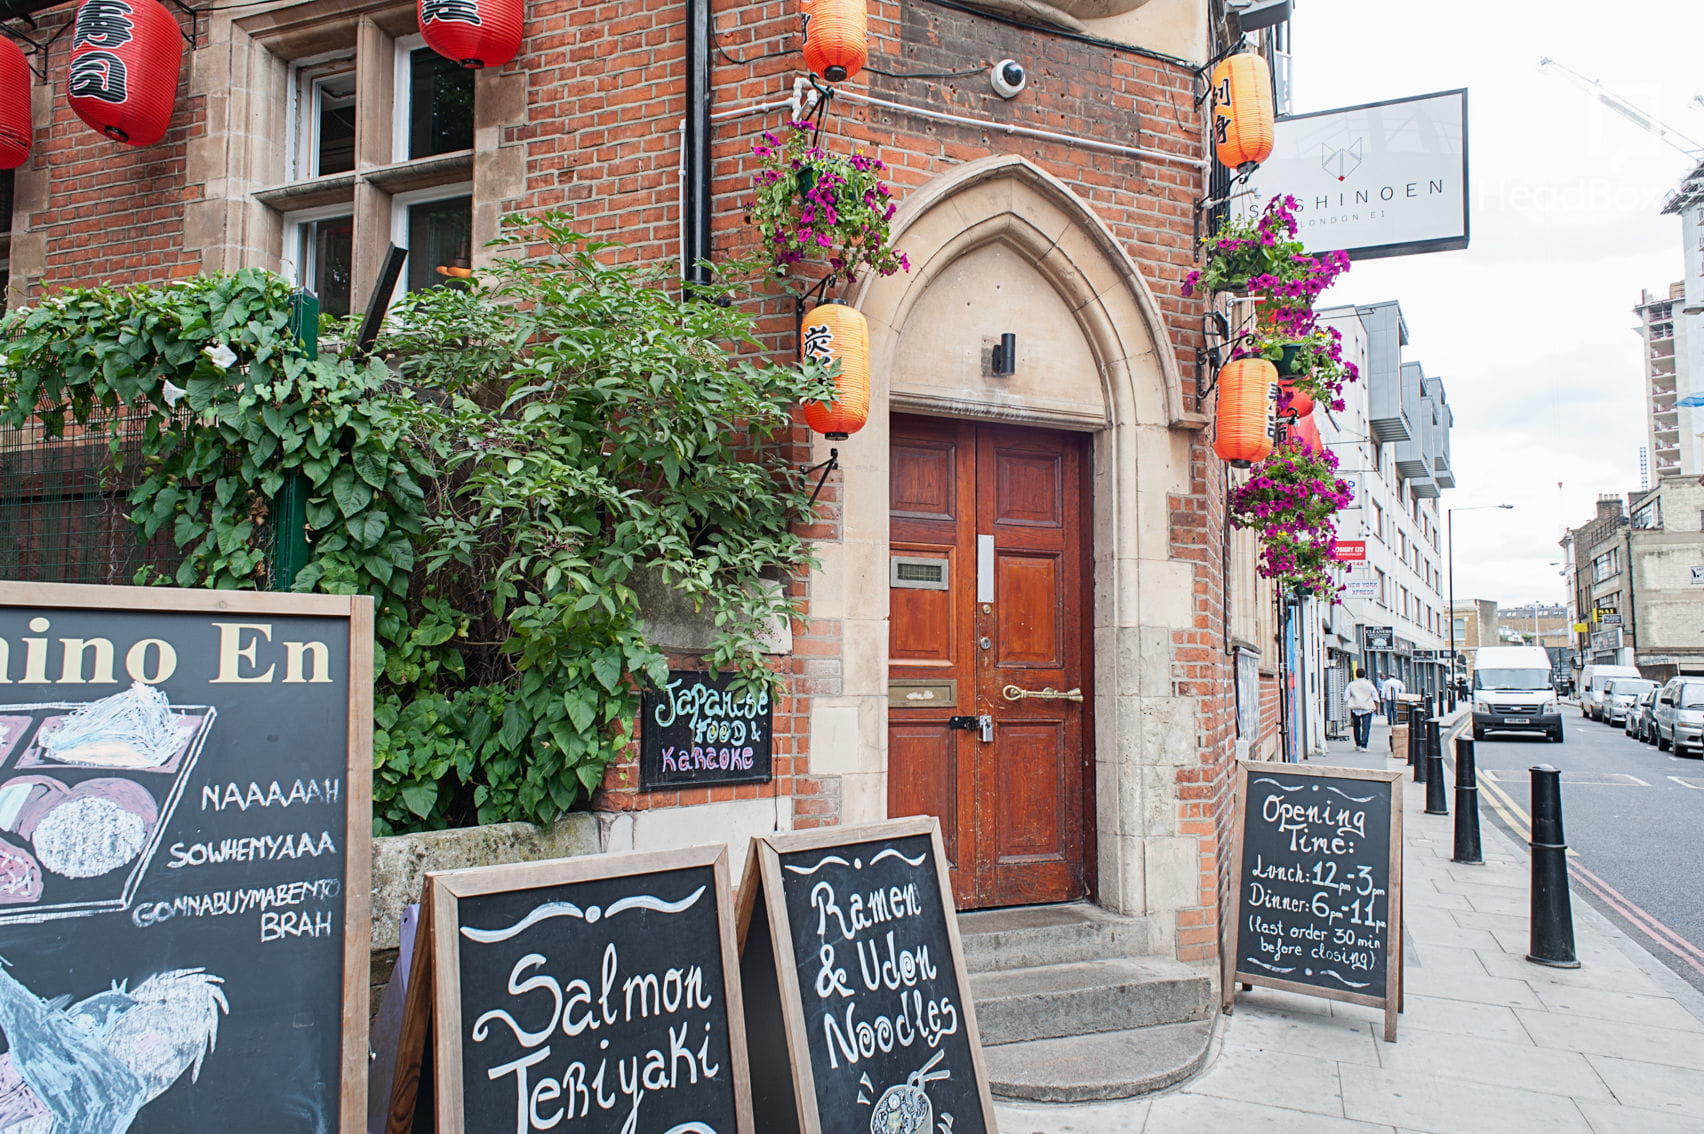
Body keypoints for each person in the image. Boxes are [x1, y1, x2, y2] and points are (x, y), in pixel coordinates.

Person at [1345, 668, 1379, 751]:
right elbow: (1375, 695)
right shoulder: (1369, 684)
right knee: (1366, 727)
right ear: (1365, 675)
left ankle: (1358, 744)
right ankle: (1364, 745)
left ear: (1356, 675)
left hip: (1355, 707)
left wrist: (1348, 701)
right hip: (1367, 707)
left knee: (1356, 726)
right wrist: (1376, 705)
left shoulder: (1351, 684)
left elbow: (1346, 696)